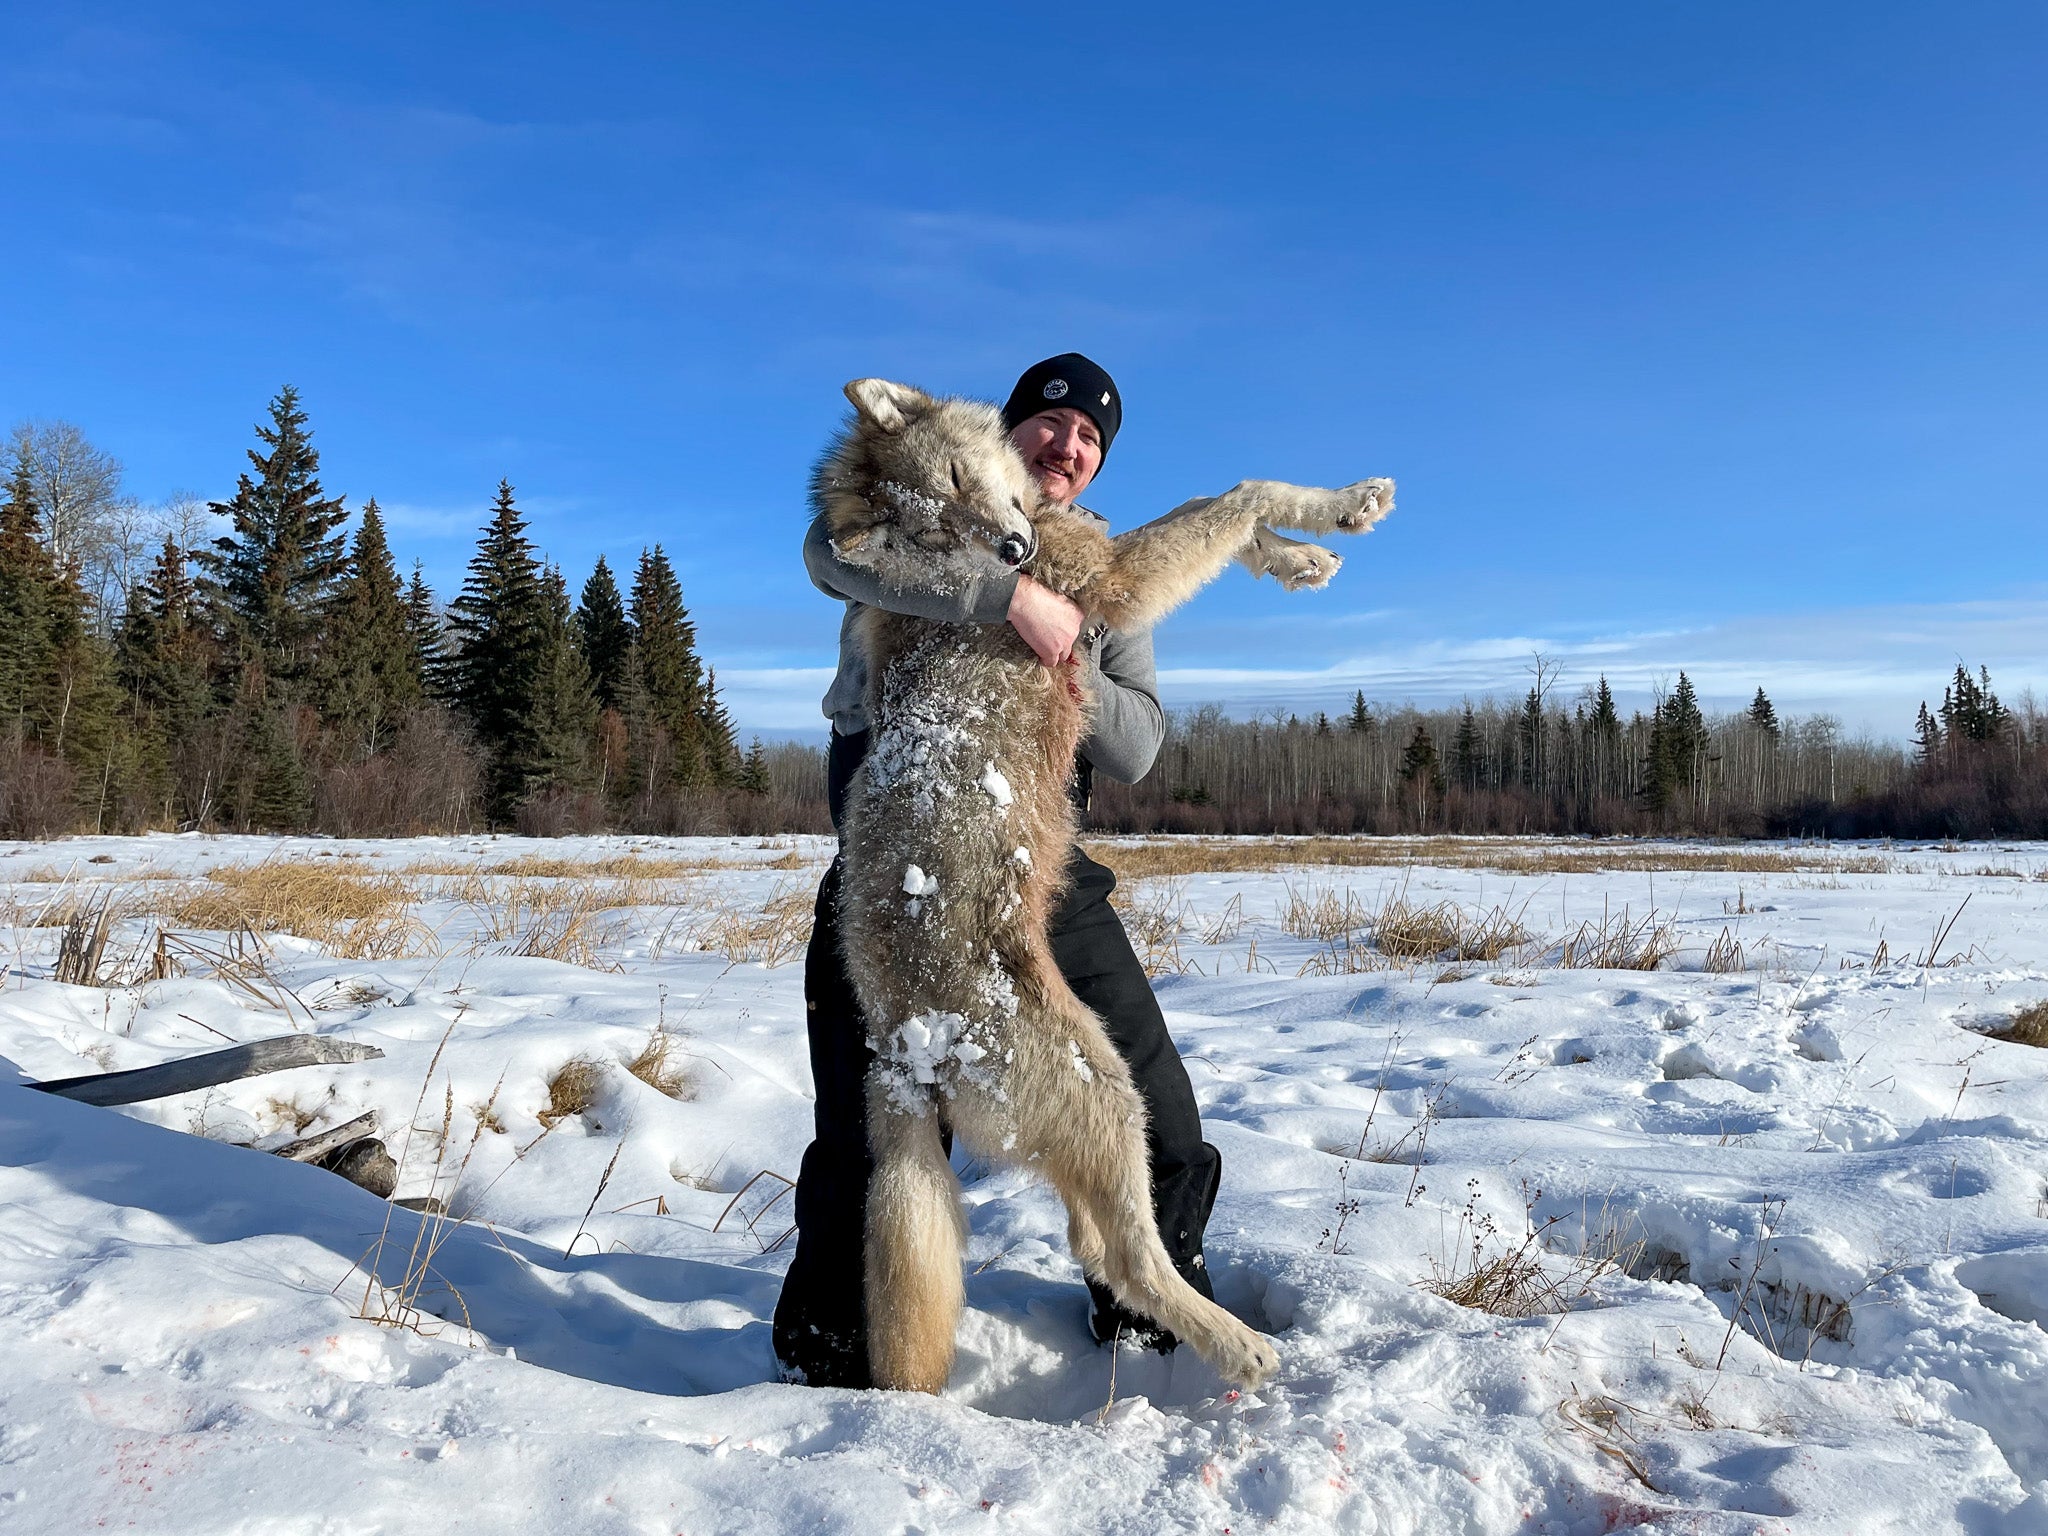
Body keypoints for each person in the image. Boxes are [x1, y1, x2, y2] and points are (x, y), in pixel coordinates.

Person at [773, 353, 1223, 1388]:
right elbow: (829, 552)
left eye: (1088, 440)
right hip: (898, 870)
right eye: (1049, 425)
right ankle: (833, 1355)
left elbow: (1136, 748)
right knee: (866, 1125)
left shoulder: (1107, 575)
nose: (1065, 448)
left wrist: (1068, 643)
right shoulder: (915, 513)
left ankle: (1148, 1315)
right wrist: (1004, 598)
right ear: (1004, 437)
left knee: (1149, 1101)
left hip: (1035, 865)